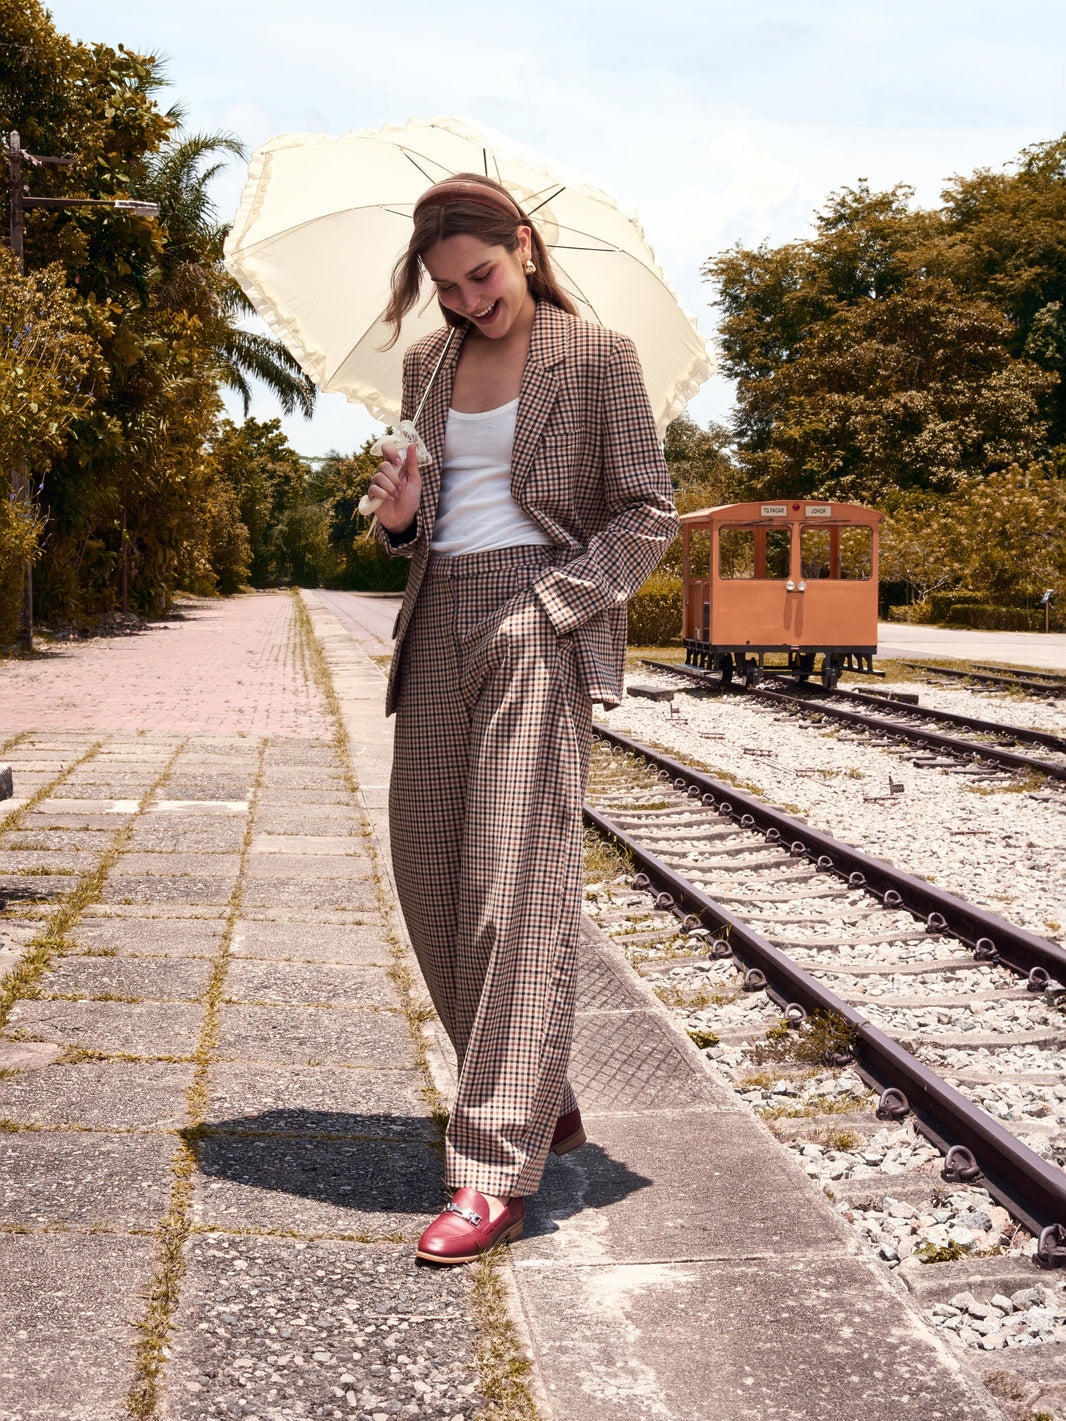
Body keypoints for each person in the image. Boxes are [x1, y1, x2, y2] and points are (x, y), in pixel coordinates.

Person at [367, 172, 677, 1264]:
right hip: (435, 625)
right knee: (430, 876)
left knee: (516, 886)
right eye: (446, 288)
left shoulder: (597, 359)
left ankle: (492, 1162)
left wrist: (550, 607)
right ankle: (539, 1092)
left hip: (538, 624)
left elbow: (648, 513)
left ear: (524, 247)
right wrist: (404, 522)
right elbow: (426, 526)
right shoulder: (428, 364)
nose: (466, 301)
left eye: (481, 276)